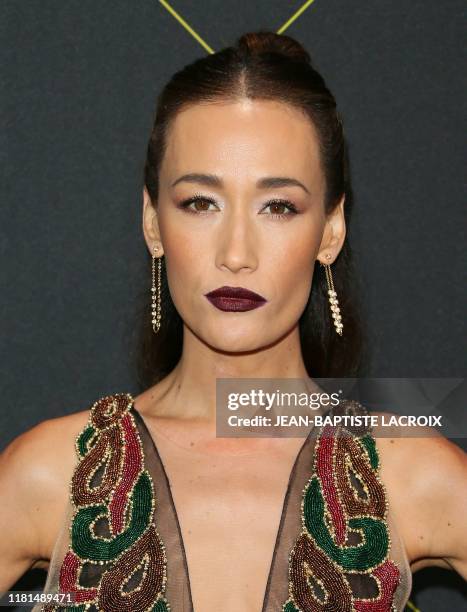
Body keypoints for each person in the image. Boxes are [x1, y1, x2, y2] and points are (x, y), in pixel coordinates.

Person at [0, 31, 466, 612]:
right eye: (200, 203)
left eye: (279, 206)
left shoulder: (413, 473)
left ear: (330, 230)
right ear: (153, 223)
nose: (236, 253)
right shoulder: (48, 473)